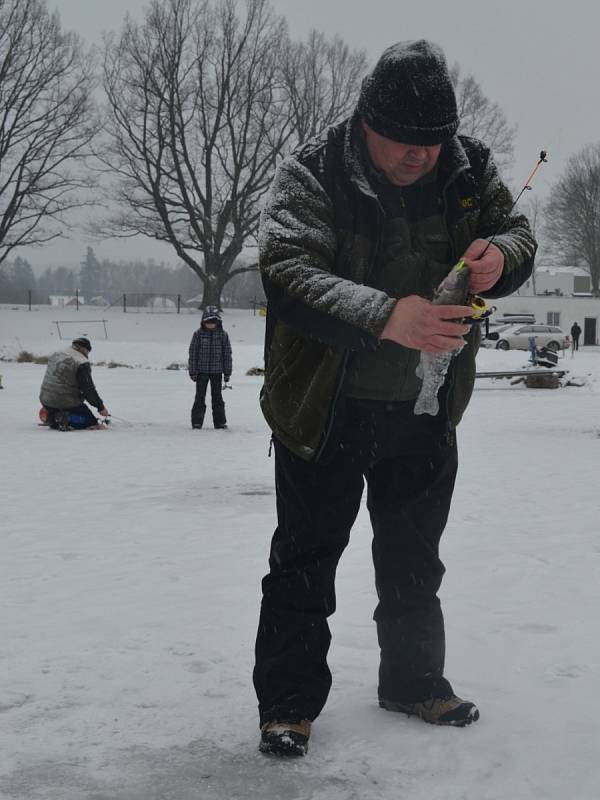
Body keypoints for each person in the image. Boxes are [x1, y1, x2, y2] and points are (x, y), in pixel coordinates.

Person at [253, 39, 537, 757]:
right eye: (405, 143)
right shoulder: (312, 173)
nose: (421, 157)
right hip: (325, 412)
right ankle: (287, 705)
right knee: (305, 563)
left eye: (433, 143)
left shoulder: (467, 168)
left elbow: (518, 230)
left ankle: (414, 682)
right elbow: (287, 273)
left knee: (415, 561)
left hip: (424, 412)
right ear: (367, 122)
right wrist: (387, 316)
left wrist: (501, 257)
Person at [40, 337, 109, 430]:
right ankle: (65, 418)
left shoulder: (57, 354)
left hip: (45, 400)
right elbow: (88, 389)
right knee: (89, 420)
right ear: (84, 349)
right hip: (64, 401)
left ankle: (50, 415)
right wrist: (100, 407)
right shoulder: (81, 362)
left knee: (55, 409)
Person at [188, 306, 232, 429]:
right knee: (199, 397)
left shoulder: (223, 335)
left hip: (217, 373)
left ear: (218, 322)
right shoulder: (198, 334)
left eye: (213, 322)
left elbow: (227, 354)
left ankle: (220, 422)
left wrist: (227, 372)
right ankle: (197, 421)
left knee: (217, 397)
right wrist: (193, 371)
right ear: (203, 322)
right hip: (201, 372)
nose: (211, 325)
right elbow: (193, 354)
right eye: (208, 322)